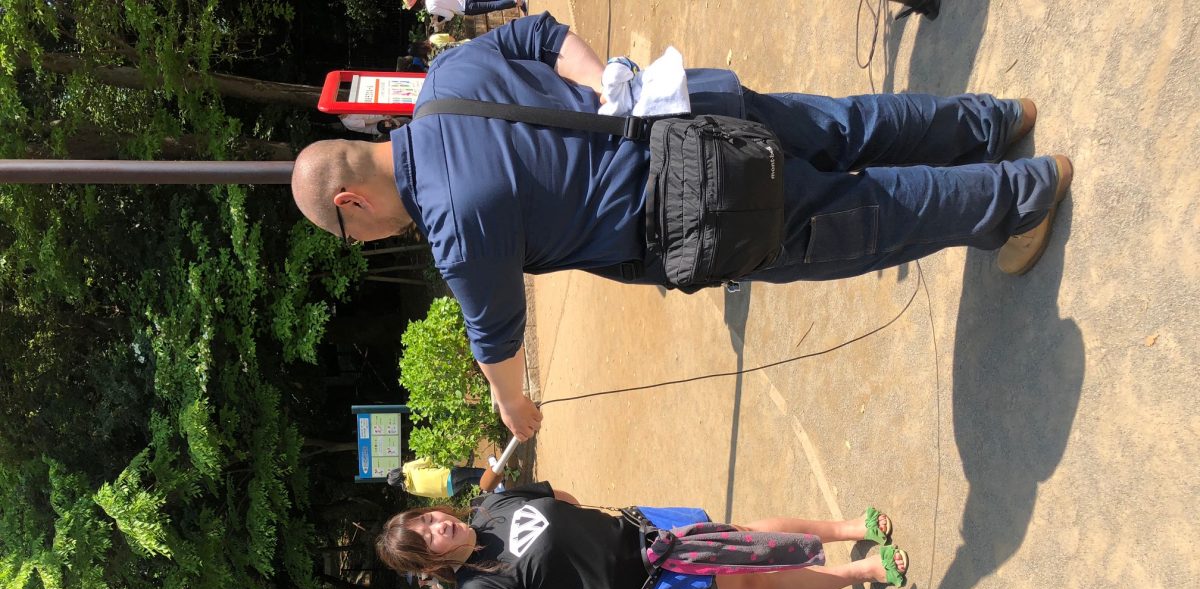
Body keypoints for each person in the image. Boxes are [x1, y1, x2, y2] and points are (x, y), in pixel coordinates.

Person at [290, 13, 1073, 441]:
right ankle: (994, 119)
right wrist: (604, 84)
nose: (371, 241)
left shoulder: (454, 228)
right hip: (687, 107)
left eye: (353, 236)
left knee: (862, 218)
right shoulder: (446, 80)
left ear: (352, 203)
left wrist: (511, 406)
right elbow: (540, 35)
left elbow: (495, 335)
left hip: (696, 205)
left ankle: (1022, 197)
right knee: (842, 126)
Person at [375, 482, 909, 589]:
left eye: (428, 517)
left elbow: (562, 498)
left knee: (744, 535)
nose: (437, 526)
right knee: (751, 588)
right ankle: (859, 574)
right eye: (426, 538)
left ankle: (849, 529)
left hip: (646, 530)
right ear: (430, 563)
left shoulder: (492, 505)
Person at [389, 456, 485, 499]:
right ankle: (493, 474)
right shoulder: (407, 468)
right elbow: (427, 460)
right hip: (446, 476)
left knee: (468, 479)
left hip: (449, 491)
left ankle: (491, 484)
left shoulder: (409, 490)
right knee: (472, 472)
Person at [403, 0, 527, 24]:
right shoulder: (431, 5)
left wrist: (440, 23)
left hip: (465, 7)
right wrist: (436, 15)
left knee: (491, 5)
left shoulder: (430, 8)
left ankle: (517, 2)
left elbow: (450, 15)